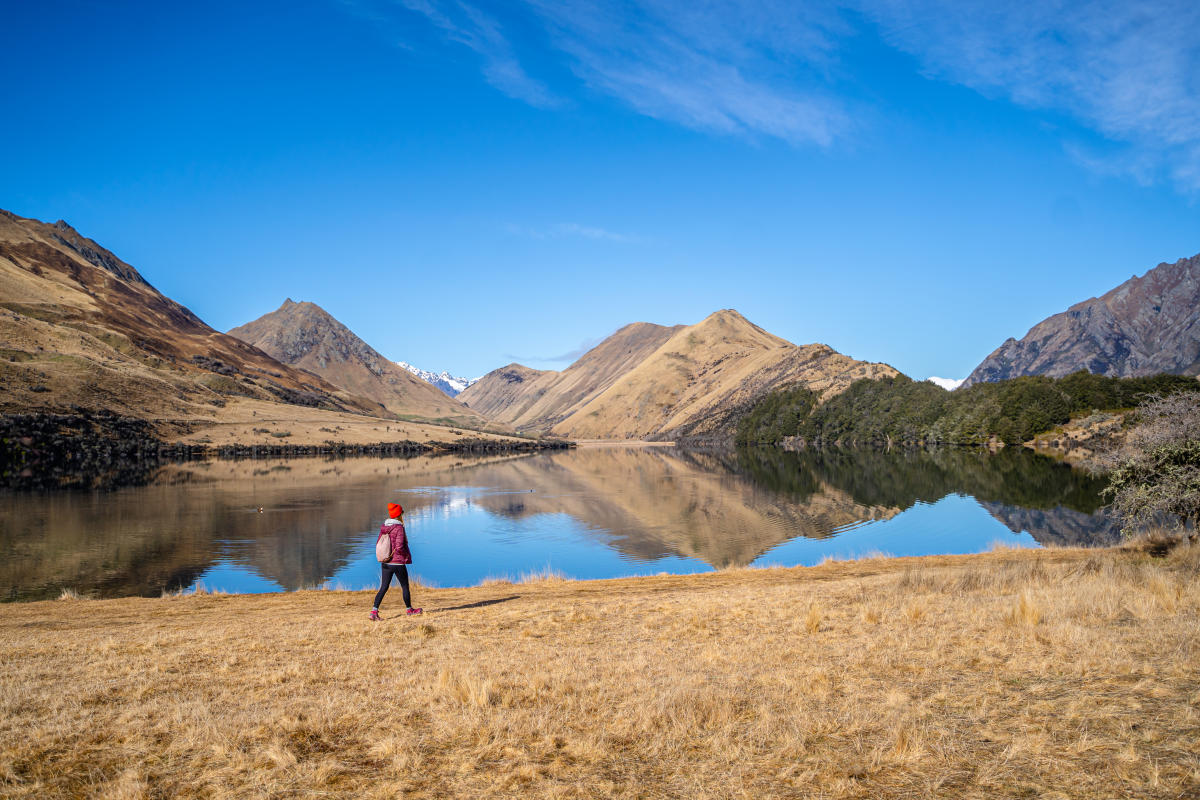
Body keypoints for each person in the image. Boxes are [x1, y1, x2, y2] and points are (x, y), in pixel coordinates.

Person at [370, 502, 422, 620]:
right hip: (397, 562)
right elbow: (399, 547)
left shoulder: (384, 526)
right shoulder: (398, 527)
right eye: (402, 513)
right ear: (399, 515)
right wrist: (405, 557)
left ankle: (374, 612)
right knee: (405, 586)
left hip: (385, 562)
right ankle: (409, 610)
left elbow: (379, 543)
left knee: (384, 587)